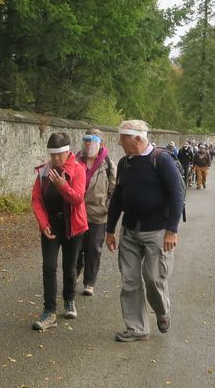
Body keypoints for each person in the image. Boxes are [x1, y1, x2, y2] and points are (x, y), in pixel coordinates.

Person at [106, 120, 184, 342]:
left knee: (153, 278)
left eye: (123, 138)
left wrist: (172, 229)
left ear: (138, 139)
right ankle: (137, 328)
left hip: (158, 231)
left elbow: (176, 195)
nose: (120, 143)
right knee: (129, 280)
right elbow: (118, 198)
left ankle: (162, 312)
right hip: (130, 231)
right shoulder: (124, 164)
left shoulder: (161, 160)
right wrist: (110, 229)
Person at [31, 133, 88, 330]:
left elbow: (77, 199)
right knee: (49, 267)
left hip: (73, 226)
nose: (55, 159)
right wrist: (43, 223)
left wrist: (62, 185)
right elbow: (36, 199)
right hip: (52, 226)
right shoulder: (44, 172)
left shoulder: (79, 170)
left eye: (59, 155)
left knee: (70, 267)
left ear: (67, 152)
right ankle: (49, 312)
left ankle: (69, 299)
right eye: (52, 155)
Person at [75, 129, 115, 297]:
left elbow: (113, 190)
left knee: (94, 248)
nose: (88, 143)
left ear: (100, 143)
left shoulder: (108, 164)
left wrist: (106, 207)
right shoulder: (75, 160)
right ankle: (76, 270)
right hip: (77, 213)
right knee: (76, 248)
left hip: (98, 214)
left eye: (92, 140)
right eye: (86, 140)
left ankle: (89, 282)